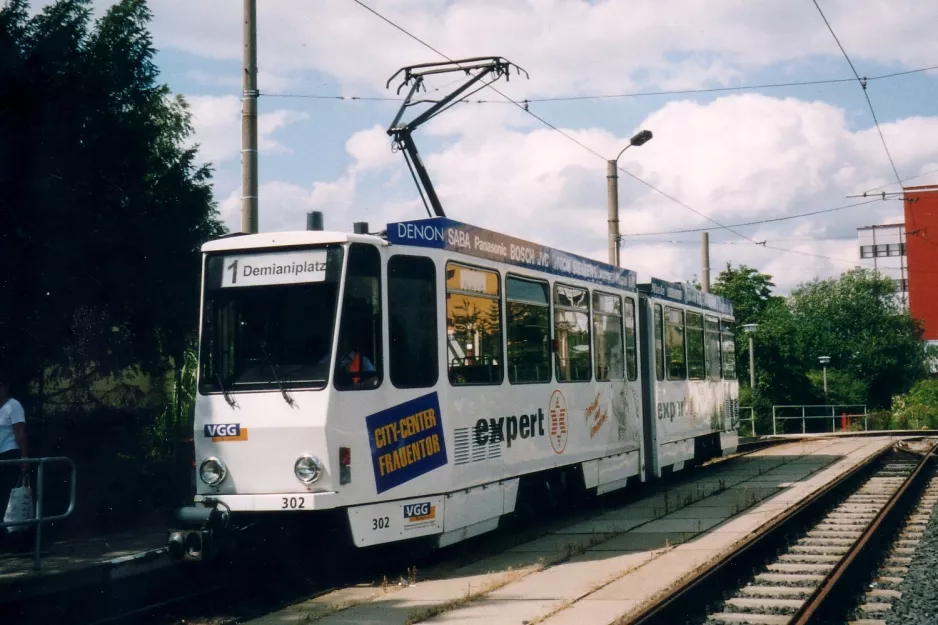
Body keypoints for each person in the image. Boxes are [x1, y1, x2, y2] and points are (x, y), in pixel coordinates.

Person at [0, 370, 29, 551]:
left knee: (7, 501)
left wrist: (24, 459)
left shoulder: (13, 405)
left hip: (9, 455)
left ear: (5, 387)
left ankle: (14, 544)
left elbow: (20, 433)